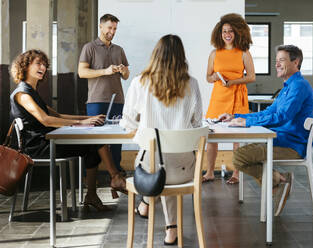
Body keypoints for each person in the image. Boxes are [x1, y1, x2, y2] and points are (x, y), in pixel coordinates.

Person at [10, 49, 126, 211]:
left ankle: (99, 189)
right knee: (93, 144)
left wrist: (86, 120)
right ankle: (112, 179)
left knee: (93, 145)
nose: (42, 67)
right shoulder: (22, 94)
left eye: (44, 64)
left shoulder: (32, 92)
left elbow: (57, 115)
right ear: (25, 66)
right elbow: (46, 119)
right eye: (38, 63)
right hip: (36, 147)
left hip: (45, 141)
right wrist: (81, 123)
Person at [120, 34, 202, 245]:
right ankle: (171, 229)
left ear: (155, 55)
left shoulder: (140, 82)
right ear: (181, 56)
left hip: (150, 169)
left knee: (156, 162)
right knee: (169, 163)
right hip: (185, 170)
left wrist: (145, 130)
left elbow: (127, 122)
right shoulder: (191, 84)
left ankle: (146, 201)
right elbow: (197, 123)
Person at [218, 45, 313, 216]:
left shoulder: (299, 86)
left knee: (240, 156)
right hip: (281, 140)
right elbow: (269, 112)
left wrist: (245, 122)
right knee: (243, 153)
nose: (277, 64)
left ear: (296, 62)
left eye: (282, 60)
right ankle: (278, 181)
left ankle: (277, 182)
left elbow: (282, 116)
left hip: (292, 146)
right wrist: (237, 117)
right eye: (276, 60)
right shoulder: (288, 87)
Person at [203, 13, 256, 184]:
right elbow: (208, 77)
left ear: (237, 33)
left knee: (236, 137)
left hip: (237, 97)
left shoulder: (244, 52)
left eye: (231, 31)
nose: (227, 34)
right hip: (218, 97)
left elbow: (252, 77)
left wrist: (233, 81)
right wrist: (216, 78)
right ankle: (209, 172)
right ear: (220, 33)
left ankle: (236, 174)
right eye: (224, 31)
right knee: (211, 136)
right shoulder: (214, 53)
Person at [78, 13, 130, 172]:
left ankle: (116, 176)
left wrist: (123, 70)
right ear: (100, 26)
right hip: (96, 101)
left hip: (118, 101)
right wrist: (105, 71)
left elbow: (127, 76)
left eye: (115, 29)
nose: (112, 32)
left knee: (116, 141)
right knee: (95, 141)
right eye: (109, 28)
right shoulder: (89, 47)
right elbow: (82, 73)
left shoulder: (119, 49)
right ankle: (92, 180)